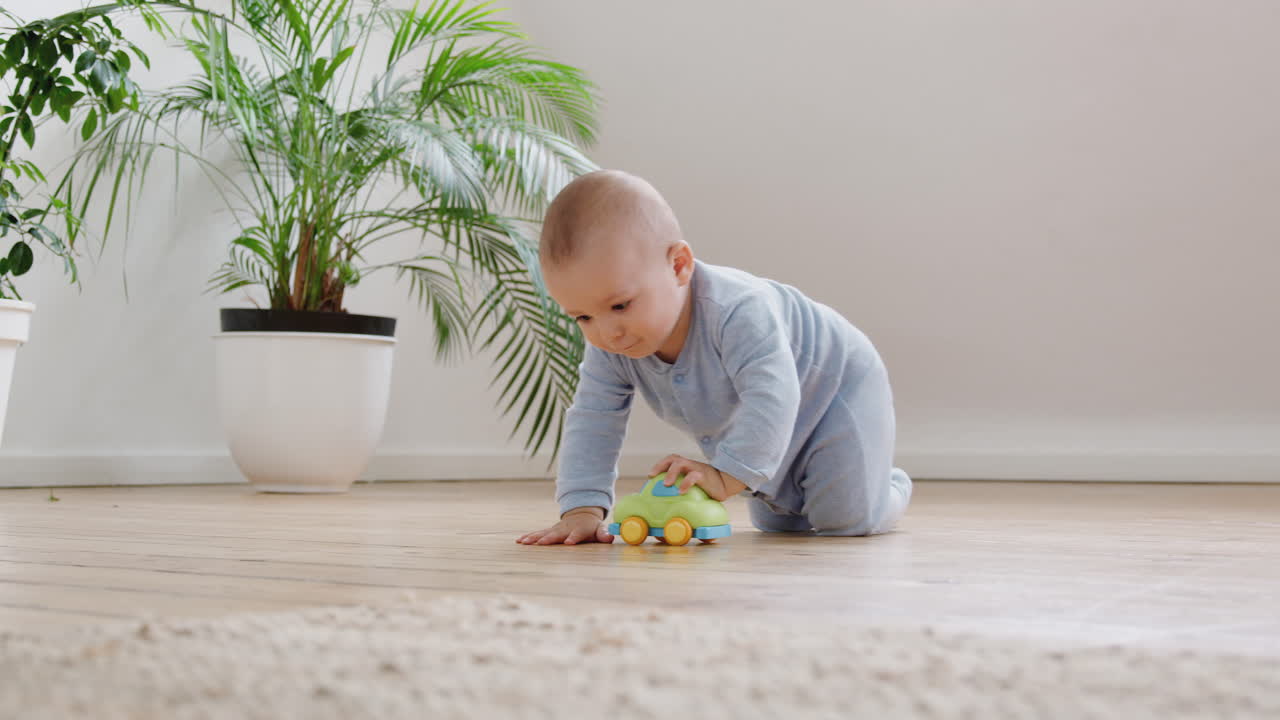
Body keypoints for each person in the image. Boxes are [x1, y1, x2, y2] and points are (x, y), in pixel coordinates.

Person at [516, 170, 912, 545]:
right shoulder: (611, 343)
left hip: (834, 386)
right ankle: (819, 484)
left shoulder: (738, 311)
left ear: (678, 266)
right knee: (779, 521)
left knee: (845, 520)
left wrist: (727, 474)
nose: (607, 332)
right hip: (771, 420)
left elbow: (772, 396)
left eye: (620, 305)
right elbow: (593, 418)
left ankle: (888, 487)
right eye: (582, 317)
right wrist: (582, 508)